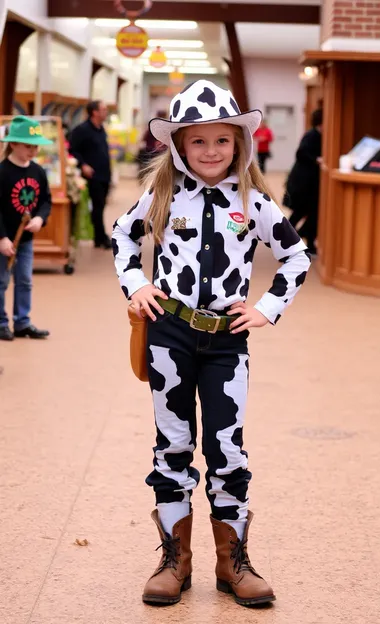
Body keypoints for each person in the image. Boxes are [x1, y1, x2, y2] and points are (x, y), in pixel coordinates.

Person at [112, 80, 311, 607]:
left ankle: (233, 562)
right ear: (177, 145)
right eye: (197, 142)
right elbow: (123, 236)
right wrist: (137, 285)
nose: (210, 152)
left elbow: (296, 256)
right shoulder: (162, 195)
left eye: (221, 141)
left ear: (239, 144)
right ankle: (175, 561)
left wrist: (266, 308)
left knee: (227, 448)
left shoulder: (254, 201)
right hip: (168, 335)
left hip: (227, 344)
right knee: (172, 443)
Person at [0, 116, 53, 341]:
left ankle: (22, 322)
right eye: (28, 146)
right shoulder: (2, 172)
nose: (33, 150)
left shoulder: (38, 172)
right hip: (4, 240)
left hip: (25, 241)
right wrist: (2, 238)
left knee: (25, 281)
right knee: (1, 282)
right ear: (13, 144)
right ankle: (1, 323)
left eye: (35, 146)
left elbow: (45, 201)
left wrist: (40, 219)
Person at [70, 100, 112, 249]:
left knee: (100, 206)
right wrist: (83, 165)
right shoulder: (82, 130)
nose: (106, 112)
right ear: (94, 112)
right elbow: (72, 150)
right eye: (104, 109)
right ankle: (101, 237)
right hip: (92, 176)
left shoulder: (101, 129)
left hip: (104, 174)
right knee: (97, 206)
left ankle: (98, 237)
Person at [286, 108, 323, 255]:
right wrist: (316, 159)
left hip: (311, 184)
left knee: (313, 215)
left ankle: (304, 242)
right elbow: (301, 153)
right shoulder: (311, 136)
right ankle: (285, 239)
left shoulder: (319, 135)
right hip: (302, 184)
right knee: (299, 213)